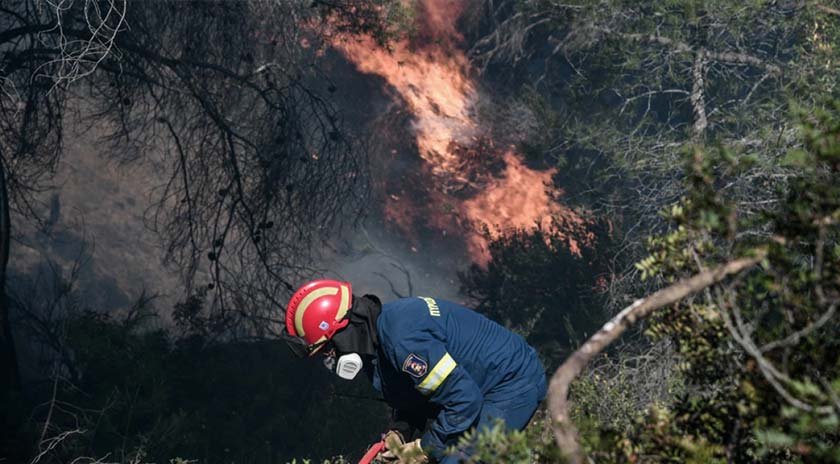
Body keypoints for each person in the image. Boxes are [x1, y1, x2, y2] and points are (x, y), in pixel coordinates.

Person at [283, 279, 547, 463]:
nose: (330, 357)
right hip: (479, 390)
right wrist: (400, 432)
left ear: (341, 330)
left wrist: (423, 448)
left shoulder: (402, 340)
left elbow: (464, 400)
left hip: (511, 383)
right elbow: (415, 396)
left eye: (327, 349)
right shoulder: (376, 347)